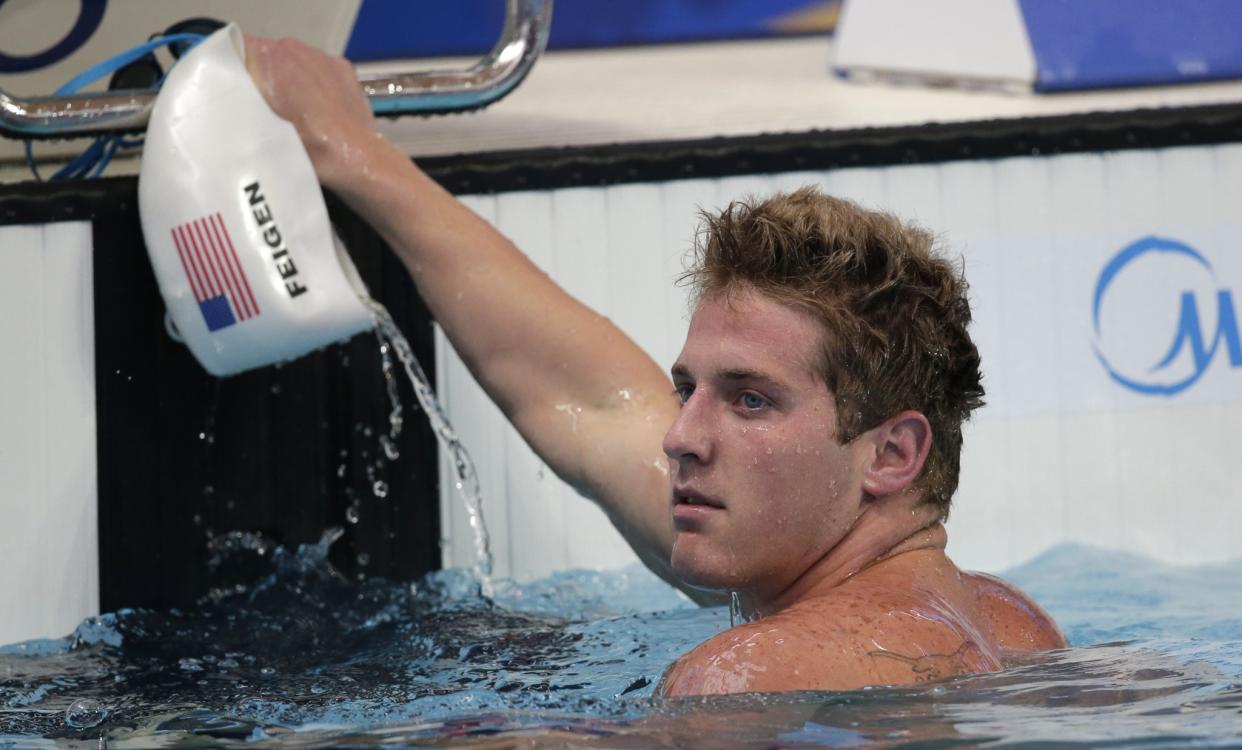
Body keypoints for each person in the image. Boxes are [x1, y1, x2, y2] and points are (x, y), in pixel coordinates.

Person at [243, 36, 1066, 695]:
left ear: (892, 454)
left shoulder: (744, 679)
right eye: (687, 390)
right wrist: (348, 151)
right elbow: (596, 403)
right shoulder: (1014, 627)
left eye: (749, 401)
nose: (679, 437)